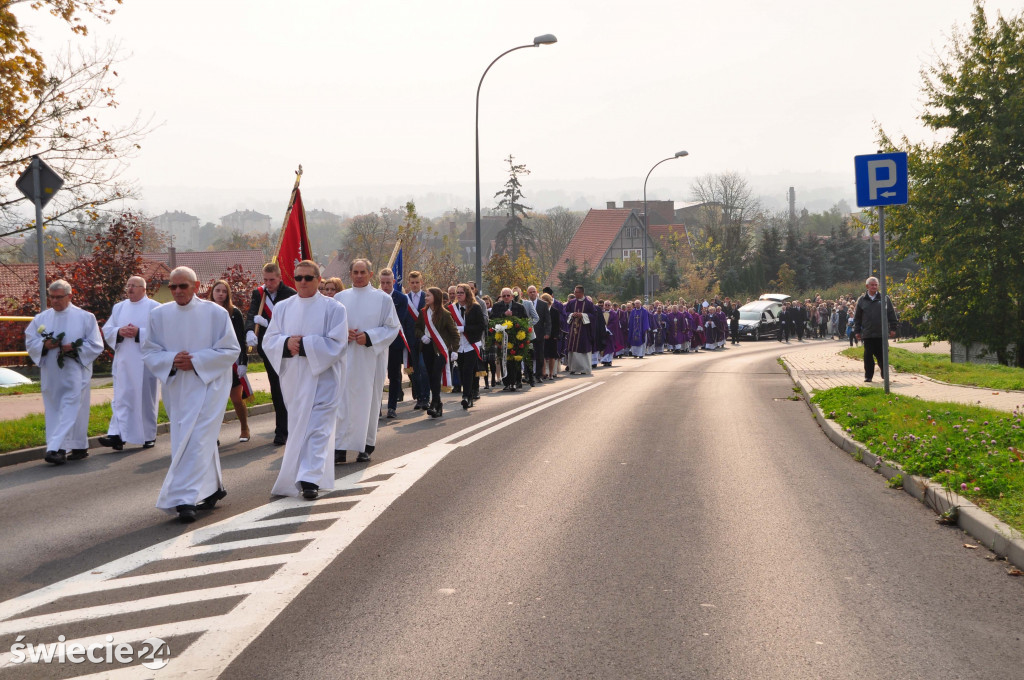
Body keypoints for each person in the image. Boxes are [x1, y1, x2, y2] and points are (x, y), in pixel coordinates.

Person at [142, 266, 240, 523]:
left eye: (182, 286)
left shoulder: (216, 313)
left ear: (196, 287)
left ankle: (184, 498)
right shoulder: (158, 315)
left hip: (210, 384)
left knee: (197, 437)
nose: (176, 291)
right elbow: (150, 352)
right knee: (187, 437)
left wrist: (196, 361)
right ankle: (212, 488)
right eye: (172, 286)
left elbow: (231, 350)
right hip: (177, 386)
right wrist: (171, 360)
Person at [264, 261, 349, 500]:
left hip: (324, 378)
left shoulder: (335, 309)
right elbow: (269, 341)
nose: (302, 282)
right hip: (294, 379)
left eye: (308, 278)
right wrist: (285, 343)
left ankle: (310, 479)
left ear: (318, 279)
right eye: (298, 278)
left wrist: (303, 346)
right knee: (300, 428)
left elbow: (338, 343)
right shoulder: (282, 307)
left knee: (318, 428)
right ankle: (301, 472)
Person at [25, 279, 104, 465]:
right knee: (54, 409)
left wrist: (74, 348)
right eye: (51, 297)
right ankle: (78, 445)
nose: (55, 301)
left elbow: (96, 344)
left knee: (70, 407)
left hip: (75, 371)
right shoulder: (41, 318)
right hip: (51, 373)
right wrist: (44, 345)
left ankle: (56, 449)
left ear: (70, 296)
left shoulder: (86, 317)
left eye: (59, 297)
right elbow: (30, 341)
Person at [334, 258, 400, 463]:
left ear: (371, 275)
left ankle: (365, 445)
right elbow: (329, 327)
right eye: (356, 272)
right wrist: (342, 333)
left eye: (363, 272)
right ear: (350, 274)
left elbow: (392, 328)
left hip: (371, 359)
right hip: (345, 358)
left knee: (368, 401)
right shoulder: (339, 297)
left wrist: (370, 337)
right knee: (342, 403)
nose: (359, 276)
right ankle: (340, 446)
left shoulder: (383, 299)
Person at [99, 276, 160, 451]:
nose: (130, 289)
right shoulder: (119, 307)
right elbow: (108, 329)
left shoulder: (154, 308)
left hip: (144, 362)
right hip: (124, 360)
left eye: (134, 286)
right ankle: (117, 435)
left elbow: (160, 334)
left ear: (144, 289)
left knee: (145, 399)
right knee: (121, 398)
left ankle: (148, 435)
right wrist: (120, 331)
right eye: (128, 286)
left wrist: (139, 332)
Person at [245, 263, 296, 445]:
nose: (268, 283)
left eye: (272, 280)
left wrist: (267, 322)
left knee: (288, 388)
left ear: (279, 278)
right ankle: (281, 431)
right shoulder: (259, 293)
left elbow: (291, 322)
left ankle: (292, 426)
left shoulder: (290, 294)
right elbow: (251, 314)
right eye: (265, 280)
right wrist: (250, 330)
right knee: (275, 388)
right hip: (268, 348)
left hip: (287, 348)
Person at [211, 280, 250, 442]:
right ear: (212, 293)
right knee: (213, 402)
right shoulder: (206, 311)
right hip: (213, 361)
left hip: (232, 361)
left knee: (236, 398)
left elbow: (241, 339)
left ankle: (244, 428)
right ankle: (213, 435)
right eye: (217, 290)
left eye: (224, 291)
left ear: (228, 294)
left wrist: (243, 362)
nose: (220, 293)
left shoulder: (234, 312)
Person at [415, 286, 459, 417]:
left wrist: (455, 350)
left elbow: (454, 333)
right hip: (427, 348)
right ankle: (438, 404)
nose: (426, 298)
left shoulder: (445, 314)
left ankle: (434, 403)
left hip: (440, 349)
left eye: (428, 295)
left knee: (435, 375)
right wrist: (422, 335)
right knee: (430, 375)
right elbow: (417, 328)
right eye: (426, 296)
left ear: (436, 297)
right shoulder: (423, 312)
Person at [379, 267, 412, 419]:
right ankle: (377, 407)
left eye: (388, 283)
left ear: (393, 282)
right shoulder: (376, 297)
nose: (385, 286)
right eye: (382, 283)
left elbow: (398, 320)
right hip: (378, 343)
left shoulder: (401, 298)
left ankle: (392, 406)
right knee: (377, 377)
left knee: (394, 376)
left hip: (394, 342)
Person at [853, 276, 898, 383]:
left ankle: (884, 374)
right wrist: (857, 331)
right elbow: (857, 318)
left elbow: (891, 314)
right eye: (872, 285)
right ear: (867, 286)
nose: (874, 287)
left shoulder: (884, 298)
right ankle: (868, 376)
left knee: (882, 356)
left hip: (881, 333)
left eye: (876, 285)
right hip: (868, 334)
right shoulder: (862, 300)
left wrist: (893, 328)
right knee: (868, 356)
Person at [449, 283, 487, 408]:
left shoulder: (475, 307)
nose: (458, 295)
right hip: (458, 346)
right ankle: (469, 394)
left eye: (461, 292)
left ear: (467, 294)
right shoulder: (452, 308)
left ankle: (466, 396)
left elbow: (481, 326)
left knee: (468, 370)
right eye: (457, 292)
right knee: (461, 370)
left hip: (472, 344)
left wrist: (464, 328)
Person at [489, 287, 527, 391]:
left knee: (515, 360)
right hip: (501, 337)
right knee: (504, 359)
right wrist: (503, 315)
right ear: (501, 296)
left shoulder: (519, 306)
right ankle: (506, 382)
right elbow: (492, 319)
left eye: (508, 295)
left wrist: (513, 316)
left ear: (512, 296)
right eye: (504, 296)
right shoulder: (497, 306)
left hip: (516, 337)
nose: (506, 297)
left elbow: (525, 319)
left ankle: (515, 381)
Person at [405, 270, 430, 410]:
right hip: (410, 340)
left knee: (423, 369)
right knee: (414, 371)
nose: (415, 285)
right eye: (412, 283)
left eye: (417, 282)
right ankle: (419, 398)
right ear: (409, 283)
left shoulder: (427, 297)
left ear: (421, 282)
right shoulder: (405, 298)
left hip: (425, 339)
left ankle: (426, 398)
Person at [563, 285, 597, 375]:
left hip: (584, 331)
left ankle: (583, 369)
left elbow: (594, 316)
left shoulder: (589, 304)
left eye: (576, 292)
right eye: (574, 292)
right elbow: (565, 313)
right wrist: (571, 315)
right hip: (573, 330)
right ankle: (573, 368)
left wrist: (583, 315)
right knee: (572, 349)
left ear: (581, 293)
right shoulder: (571, 303)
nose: (575, 293)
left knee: (583, 348)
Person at [526, 286, 551, 380]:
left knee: (540, 355)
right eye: (530, 292)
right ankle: (528, 375)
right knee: (528, 354)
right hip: (528, 333)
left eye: (534, 292)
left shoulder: (543, 304)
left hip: (540, 333)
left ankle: (538, 375)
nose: (532, 293)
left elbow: (548, 320)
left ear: (537, 292)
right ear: (528, 293)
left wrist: (547, 332)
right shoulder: (525, 303)